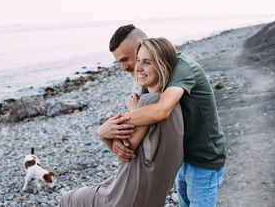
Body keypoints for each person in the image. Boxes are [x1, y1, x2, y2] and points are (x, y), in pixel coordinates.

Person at [99, 24, 226, 207]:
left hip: (205, 158)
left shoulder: (181, 67)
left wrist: (111, 127)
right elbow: (142, 121)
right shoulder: (150, 76)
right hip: (182, 157)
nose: (123, 67)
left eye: (126, 59)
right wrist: (116, 138)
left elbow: (160, 111)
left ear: (142, 47)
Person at [60, 38, 184, 207]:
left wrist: (104, 133)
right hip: (149, 195)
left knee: (68, 199)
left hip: (126, 195)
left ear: (162, 65)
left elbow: (124, 153)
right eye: (138, 60)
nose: (138, 68)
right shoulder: (175, 104)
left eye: (146, 62)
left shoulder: (149, 103)